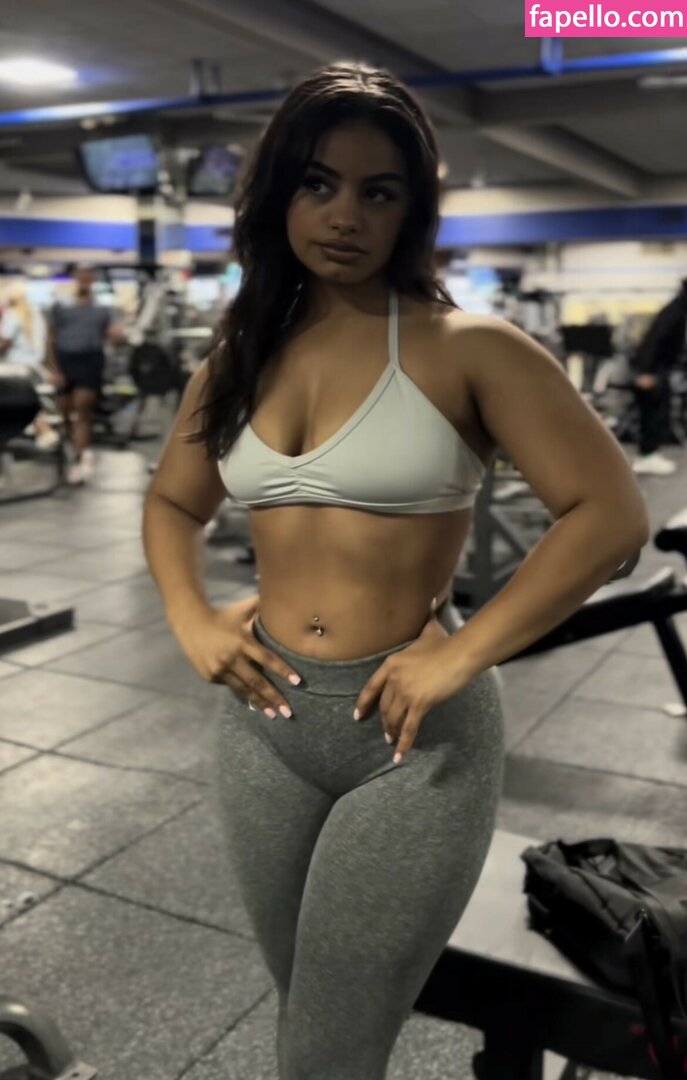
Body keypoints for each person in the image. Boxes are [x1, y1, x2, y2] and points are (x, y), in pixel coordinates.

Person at [142, 62, 649, 1080]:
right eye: (318, 184)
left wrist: (461, 655)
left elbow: (611, 518)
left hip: (412, 740)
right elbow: (172, 503)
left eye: (379, 193)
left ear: (411, 211)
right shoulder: (240, 353)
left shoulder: (470, 348)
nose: (345, 216)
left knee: (329, 1050)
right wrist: (190, 616)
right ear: (276, 194)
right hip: (263, 726)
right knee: (306, 1013)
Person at [46, 267, 126, 484]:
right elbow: (50, 338)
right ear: (75, 278)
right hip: (65, 362)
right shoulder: (60, 305)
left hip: (90, 361)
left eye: (89, 275)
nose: (85, 279)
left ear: (93, 279)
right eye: (81, 275)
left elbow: (114, 335)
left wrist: (118, 335)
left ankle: (79, 458)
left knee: (82, 409)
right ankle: (69, 449)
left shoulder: (103, 308)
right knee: (65, 412)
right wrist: (53, 369)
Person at [630, 277, 687, 477]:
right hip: (652, 369)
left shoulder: (678, 310)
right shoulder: (674, 312)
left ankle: (650, 454)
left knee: (657, 411)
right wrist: (645, 371)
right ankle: (647, 456)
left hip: (658, 368)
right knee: (651, 413)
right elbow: (653, 341)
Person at [0, 283, 59, 449]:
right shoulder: (38, 315)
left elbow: (5, 342)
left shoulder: (12, 315)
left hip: (15, 367)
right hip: (34, 366)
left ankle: (43, 429)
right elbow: (47, 343)